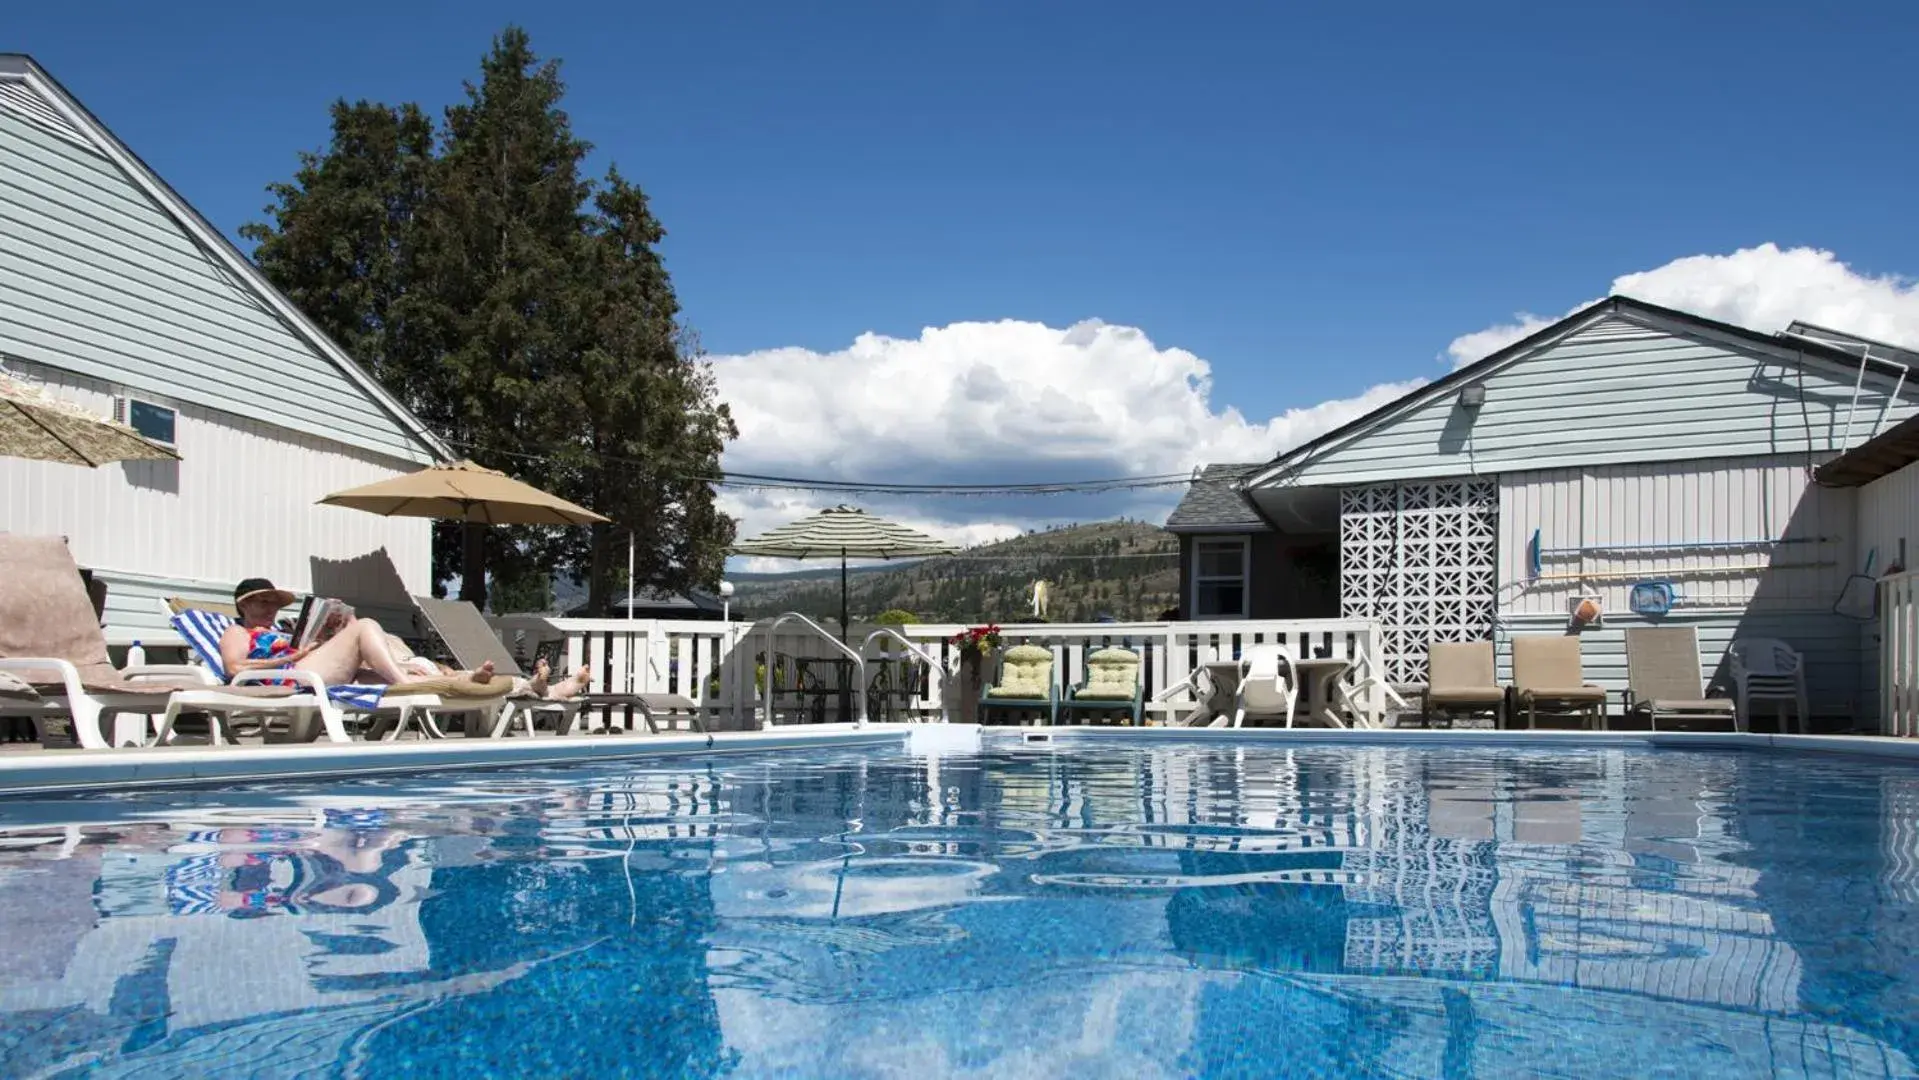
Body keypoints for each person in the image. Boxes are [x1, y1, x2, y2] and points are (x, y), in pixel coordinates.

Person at [219, 578, 495, 688]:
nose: (271, 608)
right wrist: (294, 655)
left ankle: (467, 678)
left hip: (309, 668)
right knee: (366, 627)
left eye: (275, 603)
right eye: (263, 602)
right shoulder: (238, 631)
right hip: (291, 677)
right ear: (244, 604)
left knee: (416, 669)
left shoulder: (282, 629)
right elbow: (234, 667)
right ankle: (404, 684)